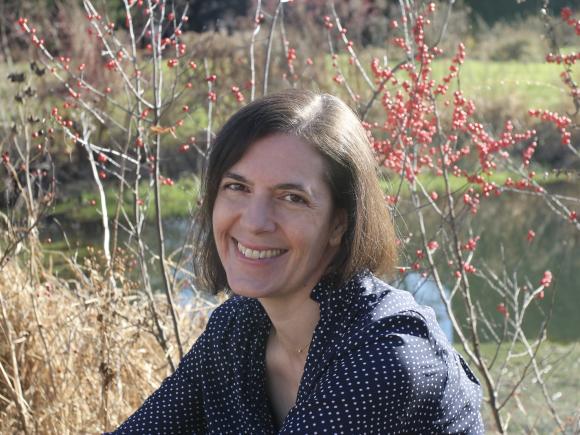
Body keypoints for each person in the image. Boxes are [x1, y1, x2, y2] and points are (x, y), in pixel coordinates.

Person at [109, 90, 483, 434]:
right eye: (237, 187)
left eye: (291, 198)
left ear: (339, 223)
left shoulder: (387, 357)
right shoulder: (236, 330)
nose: (255, 222)